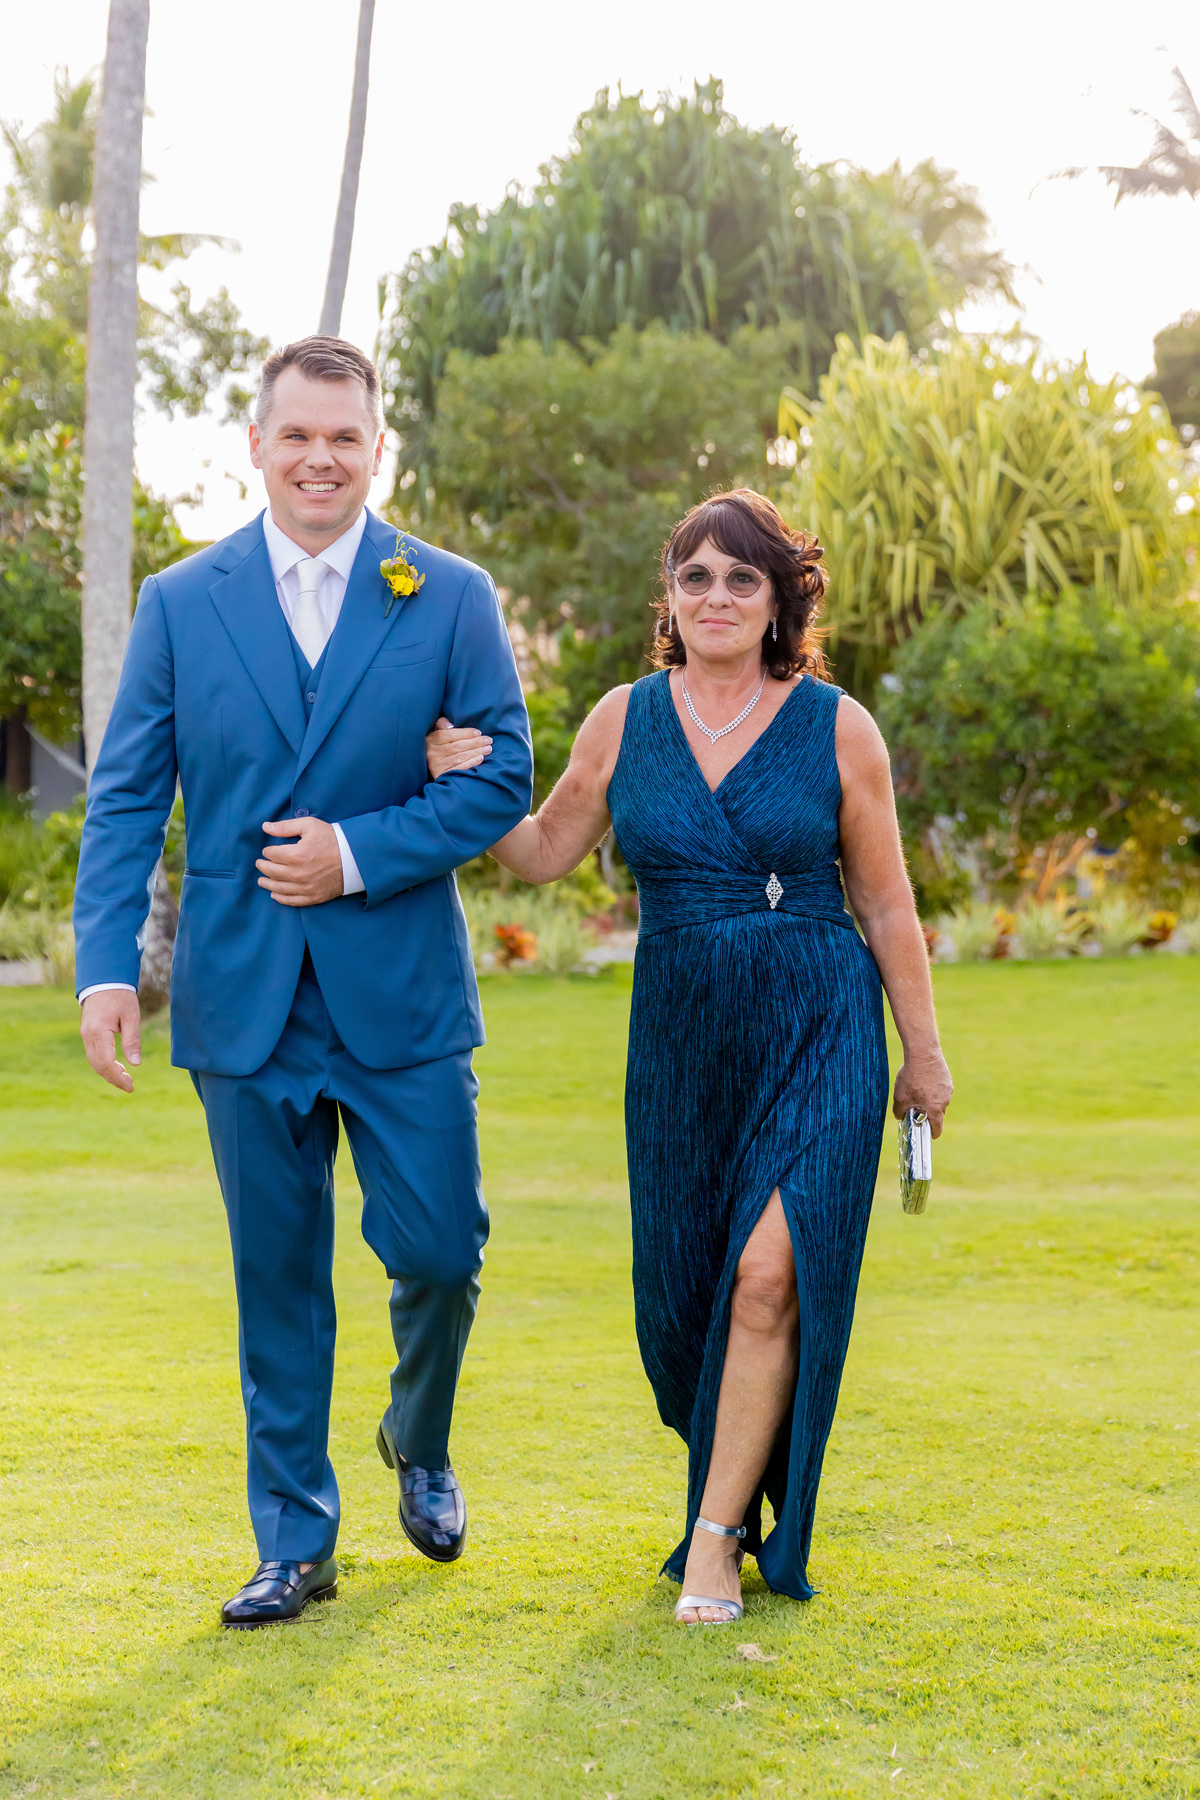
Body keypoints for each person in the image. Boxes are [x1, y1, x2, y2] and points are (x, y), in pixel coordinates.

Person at [425, 487, 952, 1624]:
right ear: (671, 596)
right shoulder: (622, 719)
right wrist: (464, 781)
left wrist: (924, 1054)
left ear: (780, 601)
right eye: (695, 577)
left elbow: (886, 903)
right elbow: (542, 849)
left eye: (741, 578)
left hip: (821, 1026)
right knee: (678, 1307)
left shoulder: (838, 726)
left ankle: (715, 1544)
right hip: (682, 1044)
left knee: (769, 1277)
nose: (716, 597)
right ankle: (735, 1474)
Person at [73, 336, 533, 1628]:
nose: (320, 459)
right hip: (244, 999)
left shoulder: (449, 595)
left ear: (377, 450)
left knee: (442, 1251)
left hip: (403, 993)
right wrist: (107, 967)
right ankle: (296, 1541)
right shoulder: (182, 602)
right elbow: (126, 800)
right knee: (277, 1280)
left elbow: (502, 774)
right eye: (298, 436)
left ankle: (418, 1437)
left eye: (344, 438)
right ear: (257, 446)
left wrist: (357, 854)